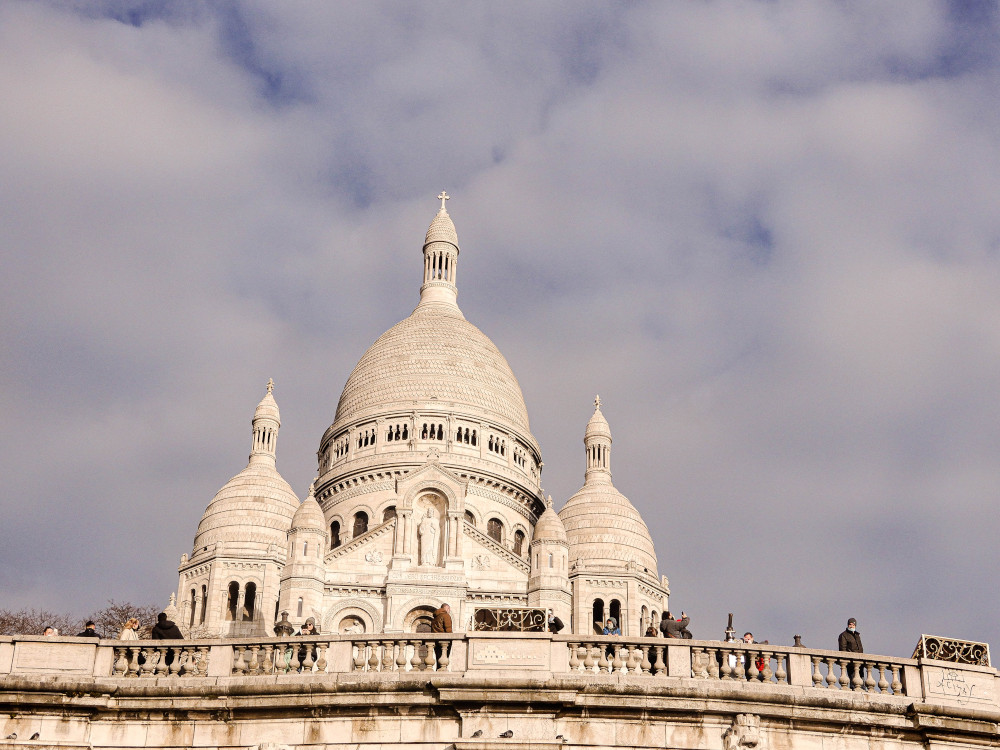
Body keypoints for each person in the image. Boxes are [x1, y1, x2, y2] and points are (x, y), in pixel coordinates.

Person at [838, 617, 865, 683]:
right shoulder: (843, 635)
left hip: (860, 661)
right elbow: (842, 649)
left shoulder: (857, 635)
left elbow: (860, 647)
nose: (852, 626)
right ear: (848, 625)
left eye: (853, 625)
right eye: (850, 624)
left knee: (861, 680)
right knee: (853, 680)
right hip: (851, 662)